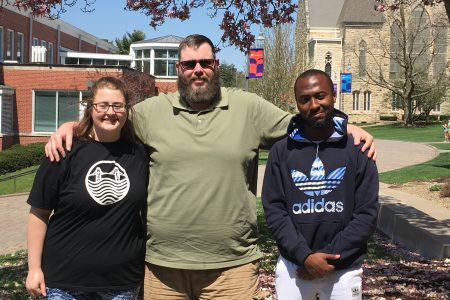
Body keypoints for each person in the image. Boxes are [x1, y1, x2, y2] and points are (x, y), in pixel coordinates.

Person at [45, 35, 376, 299]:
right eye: (189, 64)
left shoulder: (247, 107)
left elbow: (305, 120)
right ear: (178, 69)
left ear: (216, 65)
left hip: (232, 269)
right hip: (163, 269)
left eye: (205, 62)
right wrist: (70, 128)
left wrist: (345, 127)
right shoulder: (150, 113)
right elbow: (107, 120)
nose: (198, 70)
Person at [26, 77, 149, 299]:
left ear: (127, 110)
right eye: (102, 105)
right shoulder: (64, 150)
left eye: (117, 106)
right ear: (90, 108)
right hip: (64, 283)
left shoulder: (139, 154)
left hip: (121, 283)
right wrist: (34, 269)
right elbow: (39, 212)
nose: (110, 112)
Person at [262, 69, 379, 300]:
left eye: (320, 95)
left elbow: (367, 214)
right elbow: (275, 211)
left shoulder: (358, 150)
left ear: (333, 95)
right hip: (293, 268)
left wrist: (327, 257)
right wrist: (304, 257)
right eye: (304, 99)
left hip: (344, 269)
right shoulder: (281, 151)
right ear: (297, 103)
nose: (313, 104)